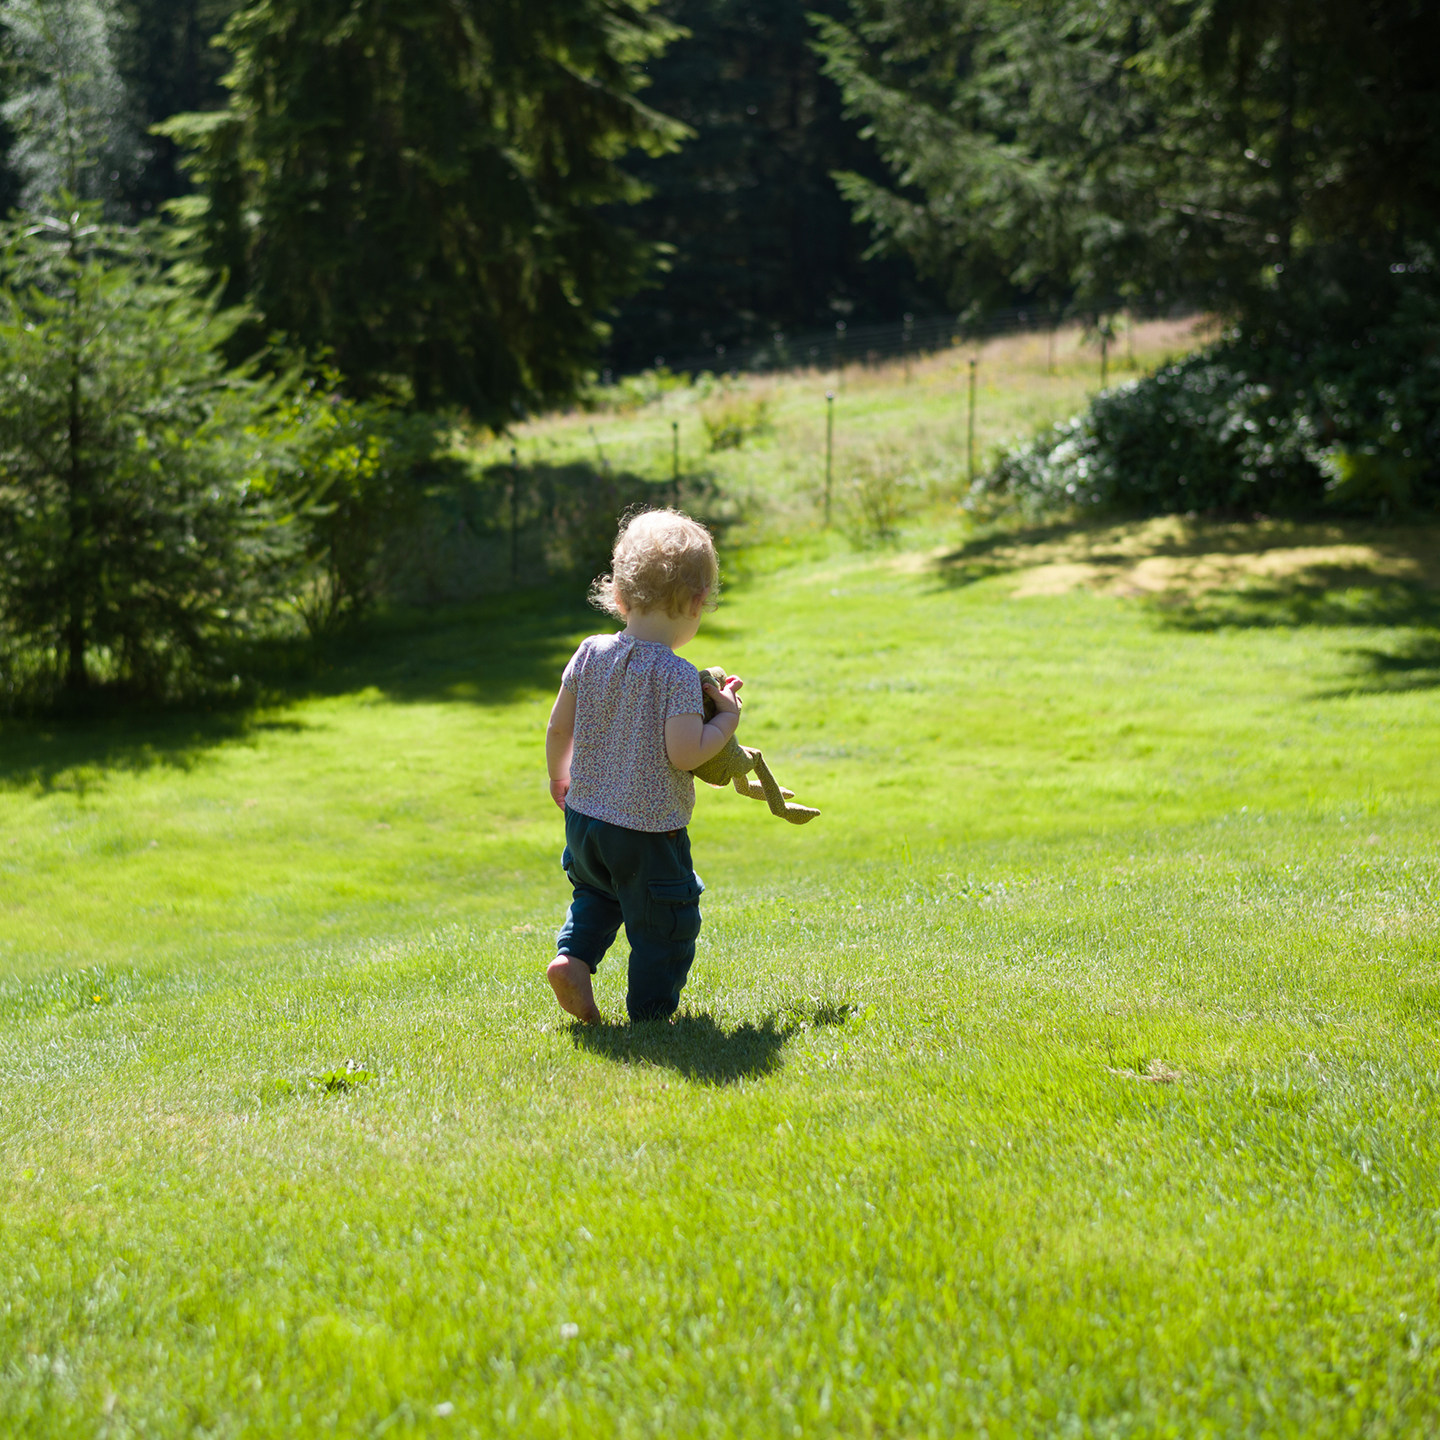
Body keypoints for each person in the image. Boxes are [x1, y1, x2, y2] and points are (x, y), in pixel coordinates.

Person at [544, 509, 742, 1023]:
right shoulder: (676, 675)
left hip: (585, 820)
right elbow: (685, 752)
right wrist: (726, 720)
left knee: (598, 894)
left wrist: (559, 776)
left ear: (618, 595)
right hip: (647, 831)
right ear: (698, 602)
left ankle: (572, 959)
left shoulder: (589, 653)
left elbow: (559, 728)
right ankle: (651, 1017)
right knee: (665, 923)